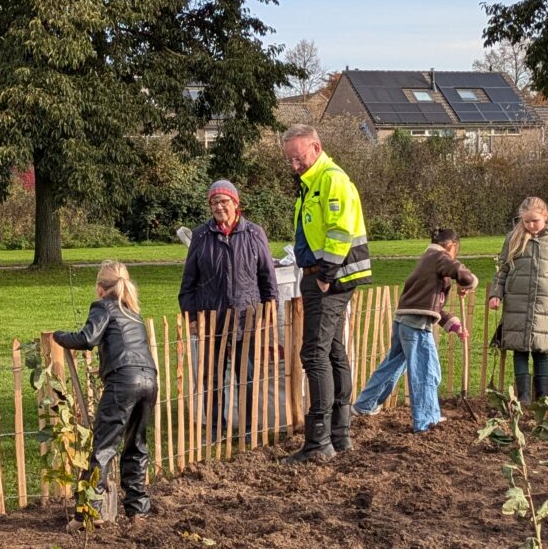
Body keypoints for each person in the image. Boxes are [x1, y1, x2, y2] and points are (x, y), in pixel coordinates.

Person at [280, 124, 372, 462]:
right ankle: (339, 435)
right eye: (289, 160)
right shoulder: (312, 184)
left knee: (314, 354)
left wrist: (326, 275)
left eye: (298, 158)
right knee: (333, 351)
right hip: (324, 275)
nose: (294, 165)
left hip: (328, 277)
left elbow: (340, 230)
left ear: (316, 148)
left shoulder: (330, 180)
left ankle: (319, 441)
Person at [53, 261, 159, 519]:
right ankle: (138, 509)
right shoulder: (133, 311)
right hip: (149, 381)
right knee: (136, 444)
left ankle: (88, 513)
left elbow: (88, 338)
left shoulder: (103, 307)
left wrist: (59, 335)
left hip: (123, 381)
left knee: (104, 446)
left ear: (100, 288)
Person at [177, 179, 276, 441]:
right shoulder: (201, 235)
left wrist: (268, 312)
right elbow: (188, 283)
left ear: (236, 203)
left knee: (248, 376)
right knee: (212, 377)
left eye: (224, 201)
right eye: (214, 202)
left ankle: (248, 428)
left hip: (247, 317)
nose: (219, 207)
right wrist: (192, 318)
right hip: (212, 318)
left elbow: (268, 279)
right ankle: (215, 429)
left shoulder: (254, 234)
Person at [354, 227, 474, 432]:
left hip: (404, 321)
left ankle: (365, 404)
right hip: (416, 326)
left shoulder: (427, 260)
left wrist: (454, 325)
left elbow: (431, 306)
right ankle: (427, 420)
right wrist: (469, 283)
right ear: (452, 246)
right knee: (427, 371)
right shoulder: (439, 256)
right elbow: (461, 273)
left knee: (392, 366)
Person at [488, 197, 548, 404]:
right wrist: (495, 293)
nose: (530, 225)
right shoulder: (513, 238)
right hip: (517, 302)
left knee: (541, 349)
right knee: (519, 349)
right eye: (526, 222)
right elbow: (503, 268)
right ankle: (524, 396)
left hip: (544, 303)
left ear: (546, 216)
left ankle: (543, 395)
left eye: (534, 221)